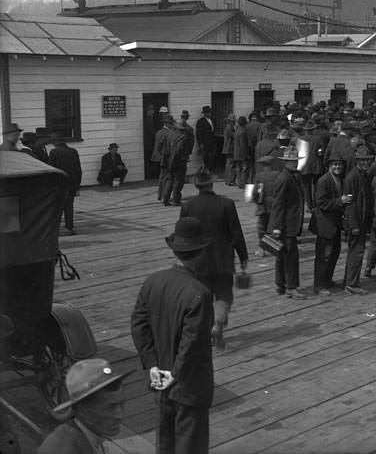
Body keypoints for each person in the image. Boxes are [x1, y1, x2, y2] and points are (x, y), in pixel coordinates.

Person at [131, 217, 214, 454]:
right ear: (200, 253)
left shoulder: (152, 282)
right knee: (190, 446)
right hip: (188, 385)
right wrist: (175, 374)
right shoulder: (200, 293)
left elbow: (138, 324)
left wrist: (152, 365)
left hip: (159, 380)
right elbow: (193, 343)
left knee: (165, 444)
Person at [181, 172, 248, 349]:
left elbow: (183, 235)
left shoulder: (188, 206)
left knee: (202, 299)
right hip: (223, 260)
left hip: (197, 262)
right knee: (224, 295)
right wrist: (243, 258)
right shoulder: (226, 204)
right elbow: (236, 234)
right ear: (211, 184)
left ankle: (207, 330)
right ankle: (217, 324)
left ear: (196, 186)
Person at [37, 358, 132, 454]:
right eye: (110, 407)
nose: (119, 415)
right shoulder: (63, 449)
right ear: (82, 409)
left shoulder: (87, 436)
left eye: (121, 404)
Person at [312, 153, 353, 295]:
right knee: (323, 256)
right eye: (334, 165)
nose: (337, 167)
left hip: (334, 224)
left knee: (334, 253)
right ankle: (319, 285)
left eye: (340, 165)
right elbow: (321, 203)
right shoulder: (324, 181)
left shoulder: (339, 179)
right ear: (329, 166)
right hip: (325, 225)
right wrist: (340, 201)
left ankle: (327, 280)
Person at [270, 146, 307, 300]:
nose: (294, 164)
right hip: (286, 225)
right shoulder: (284, 178)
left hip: (289, 223)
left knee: (282, 255)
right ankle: (291, 287)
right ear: (285, 162)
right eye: (291, 161)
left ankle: (281, 285)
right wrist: (277, 227)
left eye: (295, 161)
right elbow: (278, 204)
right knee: (290, 256)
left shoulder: (293, 176)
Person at [342, 145, 374, 294]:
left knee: (355, 252)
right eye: (362, 160)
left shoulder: (363, 175)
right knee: (357, 252)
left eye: (367, 160)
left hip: (362, 220)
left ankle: (348, 280)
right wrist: (354, 225)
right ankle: (352, 284)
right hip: (356, 222)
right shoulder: (352, 177)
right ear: (357, 161)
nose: (365, 163)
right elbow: (350, 203)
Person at [49, 137, 82, 236]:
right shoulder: (73, 151)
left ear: (55, 142)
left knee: (57, 207)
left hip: (59, 184)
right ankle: (70, 227)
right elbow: (78, 170)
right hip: (71, 183)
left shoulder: (54, 152)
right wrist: (77, 185)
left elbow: (51, 169)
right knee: (69, 207)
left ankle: (55, 229)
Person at [252, 155, 278, 256]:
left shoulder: (259, 176)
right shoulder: (277, 174)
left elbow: (255, 192)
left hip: (263, 206)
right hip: (274, 206)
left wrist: (256, 201)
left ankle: (262, 250)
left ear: (262, 165)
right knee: (273, 227)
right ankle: (272, 249)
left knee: (262, 228)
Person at [162, 120, 189, 207]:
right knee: (178, 181)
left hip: (169, 161)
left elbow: (165, 150)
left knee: (169, 180)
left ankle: (165, 199)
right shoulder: (182, 137)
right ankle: (176, 200)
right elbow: (178, 150)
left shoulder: (169, 135)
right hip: (179, 162)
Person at [152, 117, 172, 201]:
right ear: (167, 124)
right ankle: (164, 195)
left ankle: (160, 195)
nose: (171, 125)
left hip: (158, 157)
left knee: (161, 177)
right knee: (166, 177)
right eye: (170, 123)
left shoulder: (159, 132)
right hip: (165, 158)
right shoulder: (168, 133)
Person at [196, 105, 216, 172]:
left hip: (212, 140)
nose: (210, 114)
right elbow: (199, 133)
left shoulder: (212, 119)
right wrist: (201, 143)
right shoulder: (200, 121)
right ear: (205, 113)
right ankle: (207, 169)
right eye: (208, 112)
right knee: (206, 155)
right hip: (205, 141)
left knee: (213, 154)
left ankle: (211, 167)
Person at [232, 116, 251, 188]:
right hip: (241, 154)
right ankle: (242, 183)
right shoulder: (243, 131)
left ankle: (239, 182)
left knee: (238, 169)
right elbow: (243, 145)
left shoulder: (237, 130)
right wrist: (246, 154)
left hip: (236, 153)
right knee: (244, 168)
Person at [222, 114, 236, 185]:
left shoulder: (228, 127)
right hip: (230, 148)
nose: (234, 122)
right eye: (233, 120)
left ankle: (228, 180)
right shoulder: (229, 128)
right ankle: (229, 180)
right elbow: (234, 136)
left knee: (228, 164)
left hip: (227, 148)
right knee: (230, 165)